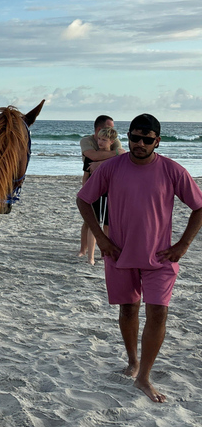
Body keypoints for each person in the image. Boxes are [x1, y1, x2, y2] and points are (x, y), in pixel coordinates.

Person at [76, 113, 202, 403]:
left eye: (147, 139)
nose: (140, 144)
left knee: (158, 311)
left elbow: (199, 207)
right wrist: (103, 239)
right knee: (129, 309)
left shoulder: (172, 170)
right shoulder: (112, 167)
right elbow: (84, 199)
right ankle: (133, 361)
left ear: (157, 141)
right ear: (128, 137)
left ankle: (144, 376)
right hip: (120, 253)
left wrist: (182, 245)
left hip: (160, 256)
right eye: (135, 137)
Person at [76, 115, 123, 259]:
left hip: (109, 185)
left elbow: (122, 156)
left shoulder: (114, 141)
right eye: (110, 128)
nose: (112, 130)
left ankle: (103, 252)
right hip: (91, 180)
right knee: (89, 221)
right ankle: (84, 249)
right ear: (99, 129)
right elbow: (92, 156)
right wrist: (113, 154)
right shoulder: (86, 140)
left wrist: (100, 164)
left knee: (107, 222)